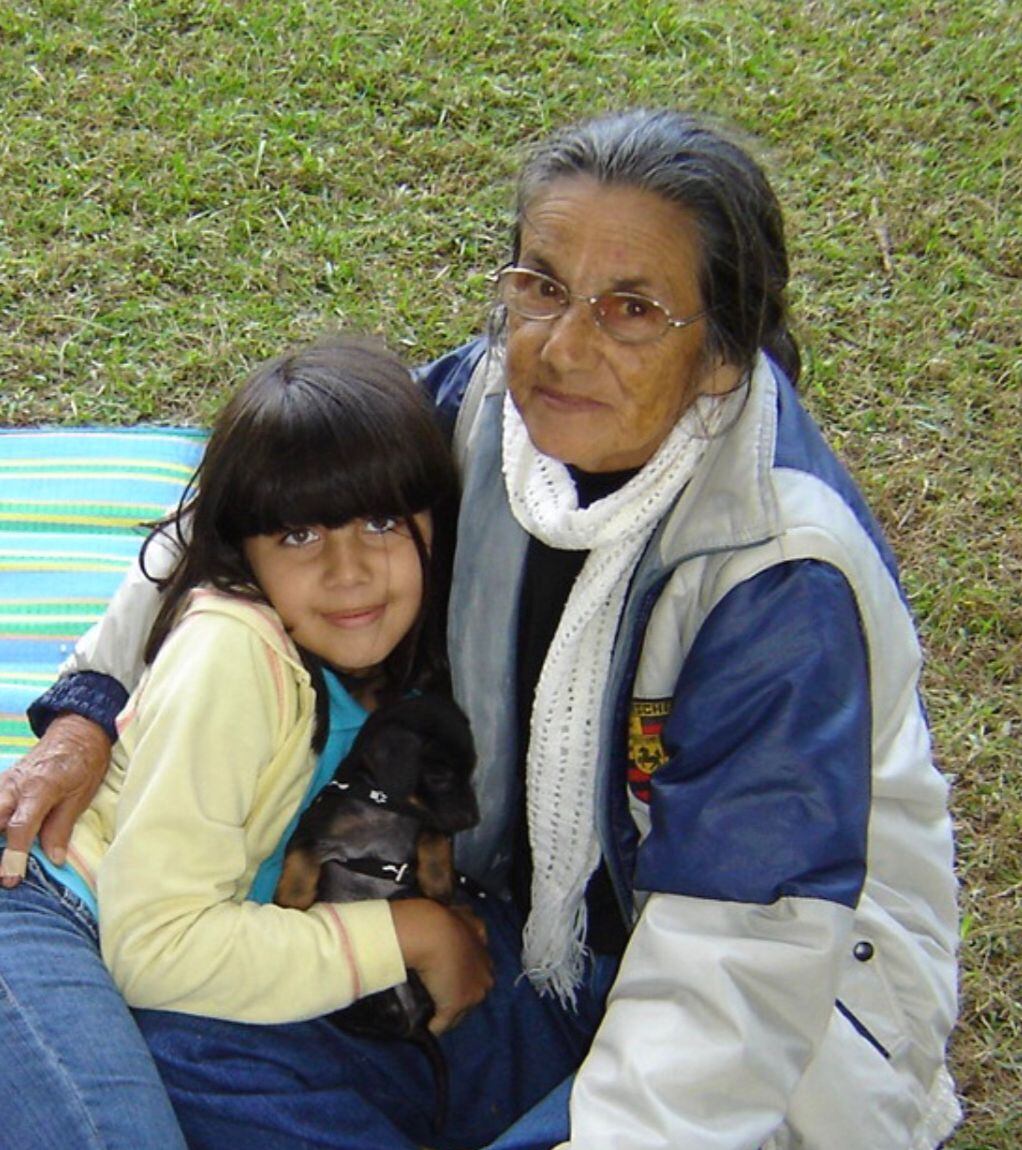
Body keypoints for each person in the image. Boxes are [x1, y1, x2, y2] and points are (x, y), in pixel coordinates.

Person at [0, 109, 960, 1149]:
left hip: (738, 1000)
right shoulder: (480, 402)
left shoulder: (782, 583)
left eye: (632, 309)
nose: (564, 347)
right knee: (185, 1033)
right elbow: (242, 519)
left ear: (725, 353)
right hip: (503, 931)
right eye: (541, 286)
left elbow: (736, 966)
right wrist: (88, 708)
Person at [0, 334, 494, 1149]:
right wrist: (406, 933)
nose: (348, 571)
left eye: (380, 522)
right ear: (240, 549)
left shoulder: (387, 648)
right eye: (299, 536)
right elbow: (156, 947)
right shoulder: (233, 653)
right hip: (40, 910)